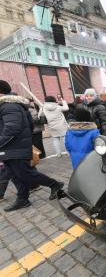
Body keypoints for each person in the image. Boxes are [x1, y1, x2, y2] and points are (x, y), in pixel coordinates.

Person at [0, 80, 63, 211]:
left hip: (15, 147)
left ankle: (55, 184)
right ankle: (22, 199)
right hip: (11, 147)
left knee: (25, 173)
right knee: (14, 175)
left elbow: (12, 129)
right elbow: (29, 125)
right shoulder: (10, 105)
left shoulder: (8, 106)